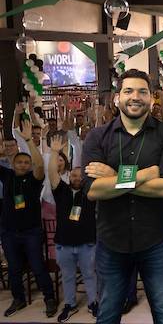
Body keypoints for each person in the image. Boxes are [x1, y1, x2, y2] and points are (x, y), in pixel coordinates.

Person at [82, 69, 163, 324]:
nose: (135, 97)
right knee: (107, 314)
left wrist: (113, 177)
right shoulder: (98, 137)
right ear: (117, 98)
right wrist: (147, 174)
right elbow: (93, 191)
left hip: (156, 241)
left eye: (142, 91)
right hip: (111, 241)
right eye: (128, 91)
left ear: (152, 98)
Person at [0, 120, 58, 318]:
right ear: (13, 163)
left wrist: (28, 141)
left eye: (26, 162)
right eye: (20, 162)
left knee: (37, 266)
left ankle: (50, 298)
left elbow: (39, 164)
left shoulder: (34, 179)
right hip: (8, 232)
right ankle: (18, 299)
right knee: (14, 269)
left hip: (31, 232)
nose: (23, 164)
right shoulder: (7, 176)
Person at [48, 135, 98, 322]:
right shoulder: (61, 190)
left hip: (87, 244)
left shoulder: (91, 192)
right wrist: (54, 153)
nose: (77, 178)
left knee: (90, 275)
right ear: (69, 176)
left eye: (80, 175)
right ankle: (70, 304)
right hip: (64, 244)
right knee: (67, 277)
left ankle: (93, 302)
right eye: (74, 175)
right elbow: (52, 173)